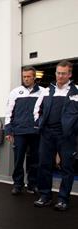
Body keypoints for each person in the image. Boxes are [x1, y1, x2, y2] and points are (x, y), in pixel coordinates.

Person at [33, 60, 78, 211]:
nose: (60, 76)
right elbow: (36, 110)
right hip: (47, 134)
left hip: (66, 136)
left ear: (70, 74)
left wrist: (74, 129)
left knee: (67, 167)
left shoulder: (76, 91)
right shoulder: (46, 91)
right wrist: (39, 123)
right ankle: (45, 196)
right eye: (58, 73)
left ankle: (63, 199)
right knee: (44, 165)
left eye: (63, 73)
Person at [4, 66, 44, 195]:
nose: (26, 79)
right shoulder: (15, 92)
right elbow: (9, 112)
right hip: (19, 132)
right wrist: (8, 131)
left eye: (28, 76)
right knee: (18, 160)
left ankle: (32, 184)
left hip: (35, 132)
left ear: (34, 77)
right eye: (24, 76)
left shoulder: (43, 92)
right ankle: (17, 184)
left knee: (35, 160)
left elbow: (44, 112)